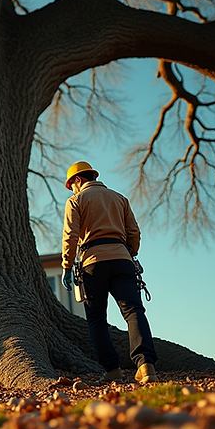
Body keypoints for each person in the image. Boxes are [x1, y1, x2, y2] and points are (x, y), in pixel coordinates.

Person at [61, 161, 158, 384]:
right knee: (134, 311)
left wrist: (66, 266)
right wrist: (127, 252)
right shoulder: (119, 198)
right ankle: (145, 365)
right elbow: (134, 232)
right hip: (122, 260)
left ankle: (112, 370)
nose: (72, 190)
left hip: (92, 263)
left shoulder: (76, 201)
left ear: (77, 180)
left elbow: (71, 236)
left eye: (71, 185)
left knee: (96, 319)